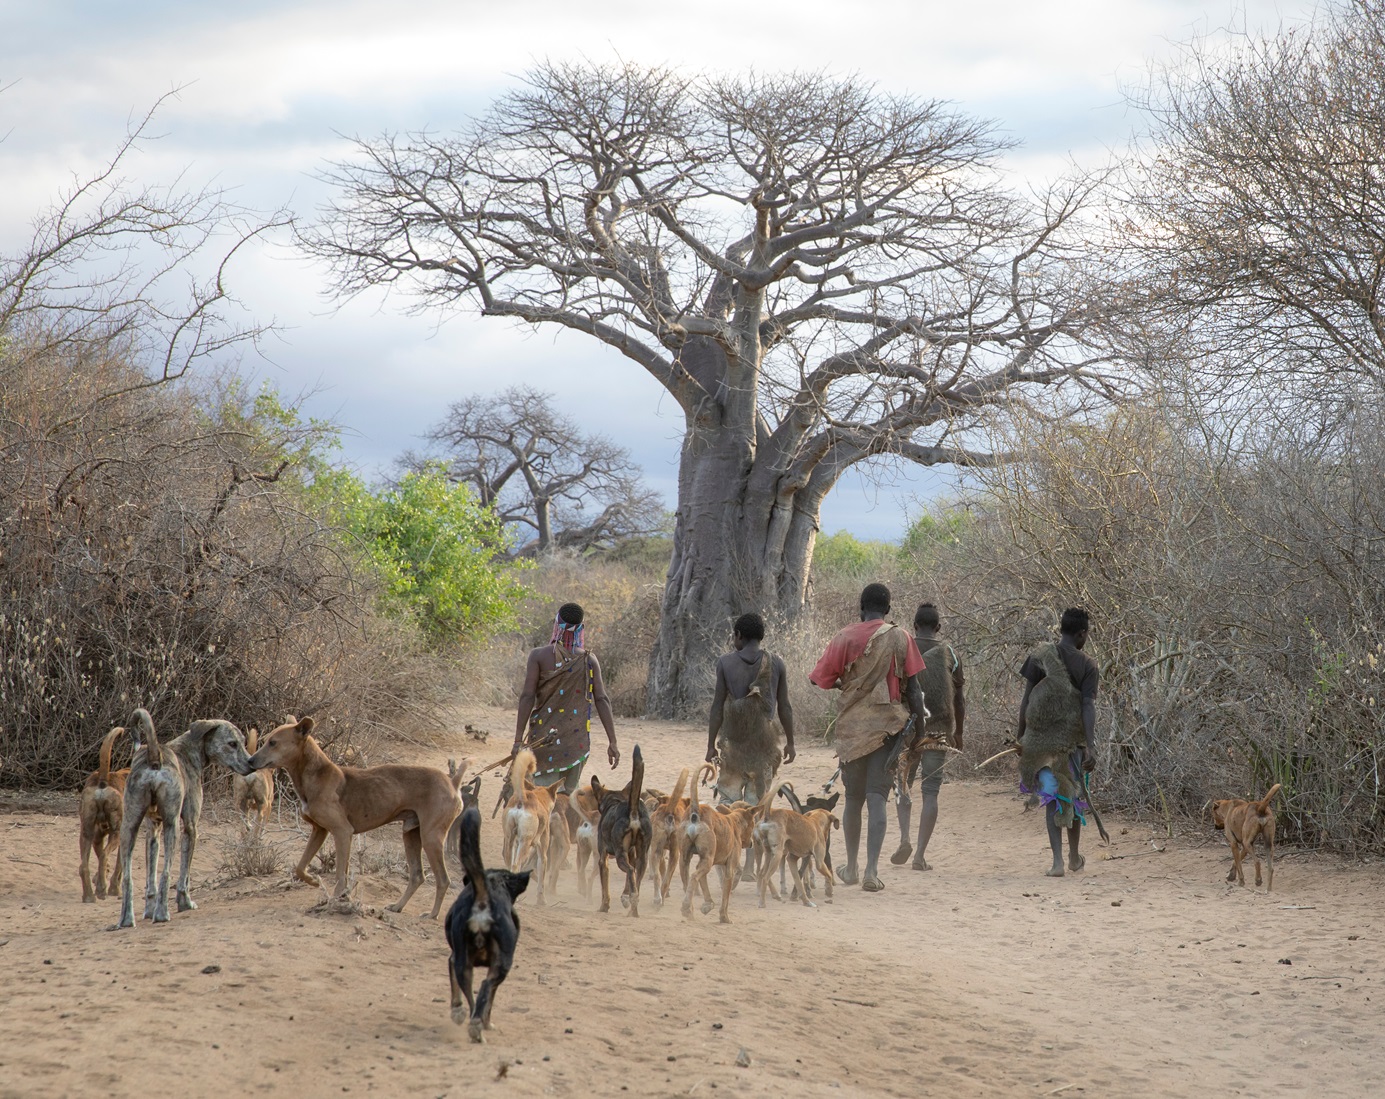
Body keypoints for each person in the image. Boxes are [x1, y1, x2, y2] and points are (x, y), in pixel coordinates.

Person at [809, 583, 928, 893]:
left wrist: (850, 684)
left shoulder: (844, 637)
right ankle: (872, 872)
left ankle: (851, 866)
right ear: (888, 610)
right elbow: (914, 690)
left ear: (860, 607)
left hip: (852, 731)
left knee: (852, 799)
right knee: (877, 798)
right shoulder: (902, 638)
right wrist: (921, 735)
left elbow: (820, 679)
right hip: (889, 730)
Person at [1015, 607, 1098, 877]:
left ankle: (1058, 862)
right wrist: (1090, 744)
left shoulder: (1040, 656)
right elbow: (1088, 707)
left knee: (1052, 797)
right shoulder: (1087, 665)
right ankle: (1074, 857)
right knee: (1072, 794)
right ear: (1082, 633)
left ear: (1061, 629)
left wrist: (1021, 736)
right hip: (1072, 744)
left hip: (1040, 744)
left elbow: (1027, 700)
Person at [513, 602, 619, 793]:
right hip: (576, 743)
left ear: (556, 625)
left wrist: (518, 740)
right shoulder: (589, 660)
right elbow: (601, 699)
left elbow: (527, 696)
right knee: (568, 798)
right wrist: (613, 742)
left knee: (543, 798)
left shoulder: (538, 656)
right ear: (581, 629)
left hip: (544, 742)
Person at [891, 602, 965, 871]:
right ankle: (920, 855)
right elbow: (959, 700)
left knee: (903, 786)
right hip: (939, 731)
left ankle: (904, 839)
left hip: (908, 730)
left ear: (913, 626)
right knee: (931, 792)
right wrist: (958, 732)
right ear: (938, 628)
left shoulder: (902, 649)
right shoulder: (950, 654)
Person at [706, 612, 797, 807]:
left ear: (738, 635)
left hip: (733, 746)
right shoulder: (777, 663)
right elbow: (785, 707)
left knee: (728, 804)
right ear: (761, 636)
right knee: (756, 806)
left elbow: (717, 708)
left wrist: (711, 745)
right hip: (764, 746)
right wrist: (790, 742)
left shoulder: (725, 663)